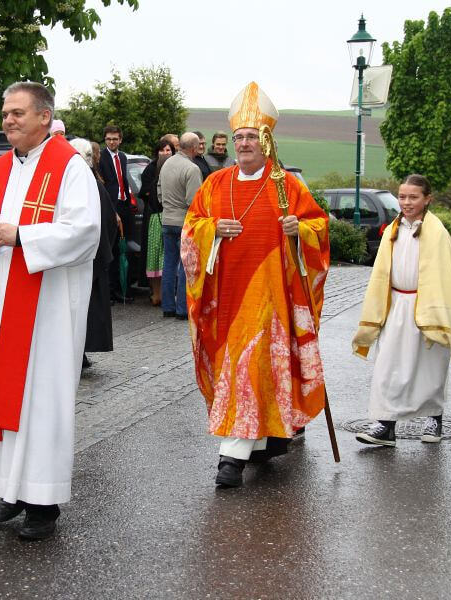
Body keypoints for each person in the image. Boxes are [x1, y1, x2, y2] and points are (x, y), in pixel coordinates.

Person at [0, 81, 100, 540]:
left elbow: (86, 231)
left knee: (41, 400)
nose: (8, 120)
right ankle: (10, 489)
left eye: (18, 113)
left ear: (44, 117)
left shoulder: (69, 167)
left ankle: (43, 502)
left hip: (48, 310)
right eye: (5, 113)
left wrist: (21, 236)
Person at [182, 82, 330, 487]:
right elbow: (191, 229)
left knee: (249, 366)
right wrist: (212, 230)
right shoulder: (215, 184)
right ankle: (265, 442)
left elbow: (319, 227)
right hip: (225, 296)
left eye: (251, 136)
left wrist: (300, 229)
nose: (244, 143)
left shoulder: (287, 186)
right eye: (239, 137)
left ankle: (230, 459)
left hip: (272, 297)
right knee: (251, 369)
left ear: (266, 142)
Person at [352, 174, 451, 446]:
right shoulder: (393, 229)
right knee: (388, 366)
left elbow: (449, 275)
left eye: (413, 197)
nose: (406, 202)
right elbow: (381, 271)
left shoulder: (436, 232)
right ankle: (386, 425)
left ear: (427, 199)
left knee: (429, 366)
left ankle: (434, 419)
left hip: (427, 306)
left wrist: (439, 308)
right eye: (402, 196)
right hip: (395, 305)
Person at [71, 137, 118, 367]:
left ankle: (77, 355)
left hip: (85, 257)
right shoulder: (91, 182)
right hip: (93, 254)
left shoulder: (84, 184)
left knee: (81, 309)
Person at [159, 131, 203, 320]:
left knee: (169, 264)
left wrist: (166, 206)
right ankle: (182, 309)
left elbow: (159, 190)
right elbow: (193, 201)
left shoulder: (167, 163)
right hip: (184, 222)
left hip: (167, 219)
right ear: (193, 148)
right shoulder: (192, 169)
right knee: (185, 265)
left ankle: (167, 307)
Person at [138, 139, 175, 305]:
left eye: (168, 150)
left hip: (172, 217)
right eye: (162, 150)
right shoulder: (150, 169)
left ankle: (168, 294)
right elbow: (145, 193)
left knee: (168, 257)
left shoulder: (176, 168)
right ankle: (156, 293)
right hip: (154, 216)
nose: (165, 153)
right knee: (154, 256)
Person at [100, 125, 134, 302]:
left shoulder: (122, 157)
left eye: (115, 139)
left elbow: (123, 180)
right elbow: (104, 187)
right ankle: (110, 292)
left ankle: (122, 289)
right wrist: (112, 211)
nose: (111, 142)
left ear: (120, 140)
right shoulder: (102, 157)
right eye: (108, 139)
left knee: (123, 249)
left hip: (124, 205)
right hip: (110, 208)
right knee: (111, 250)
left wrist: (128, 203)